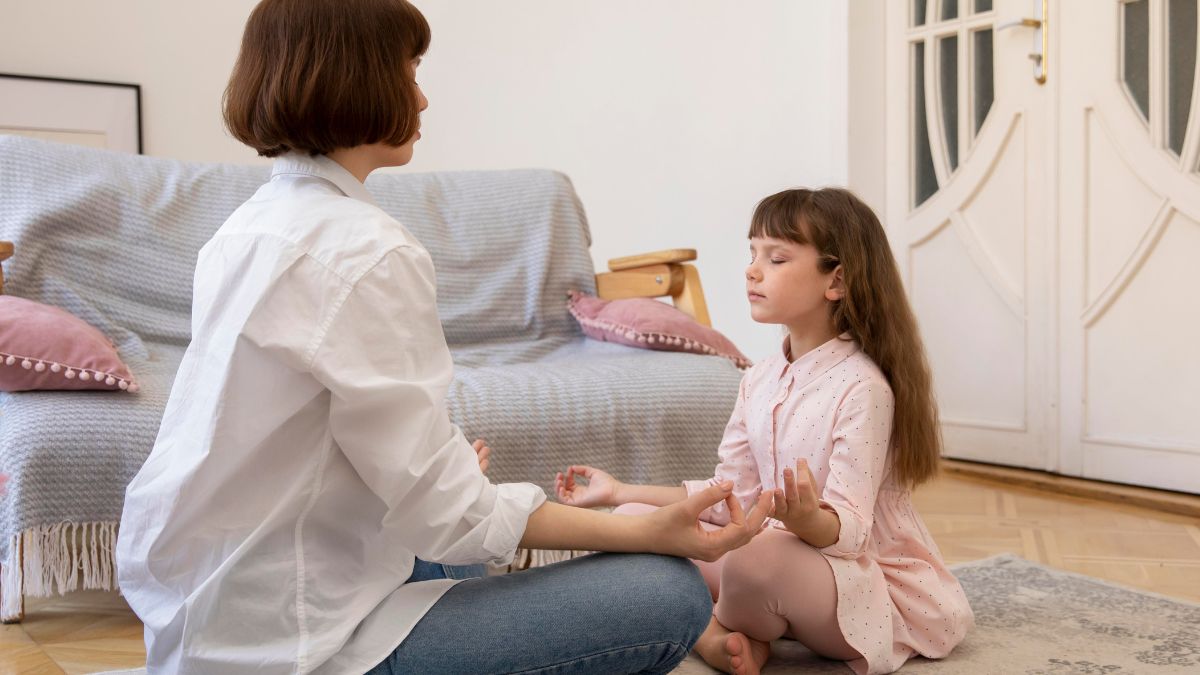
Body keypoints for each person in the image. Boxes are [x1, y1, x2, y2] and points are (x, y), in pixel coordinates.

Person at [115, 1, 773, 673]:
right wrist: (640, 531)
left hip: (207, 616)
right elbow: (450, 516)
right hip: (298, 644)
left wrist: (444, 485)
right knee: (666, 590)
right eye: (409, 70)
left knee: (453, 541)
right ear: (359, 76)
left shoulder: (245, 229)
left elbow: (328, 445)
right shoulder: (364, 248)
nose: (422, 97)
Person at [555, 187, 975, 675]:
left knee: (753, 561)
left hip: (856, 583)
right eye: (752, 254)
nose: (752, 270)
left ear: (835, 280)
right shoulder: (758, 378)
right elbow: (728, 496)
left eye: (776, 258)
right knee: (630, 522)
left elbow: (851, 532)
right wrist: (621, 490)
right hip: (770, 569)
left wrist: (806, 521)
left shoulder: (863, 388)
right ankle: (721, 637)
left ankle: (709, 624)